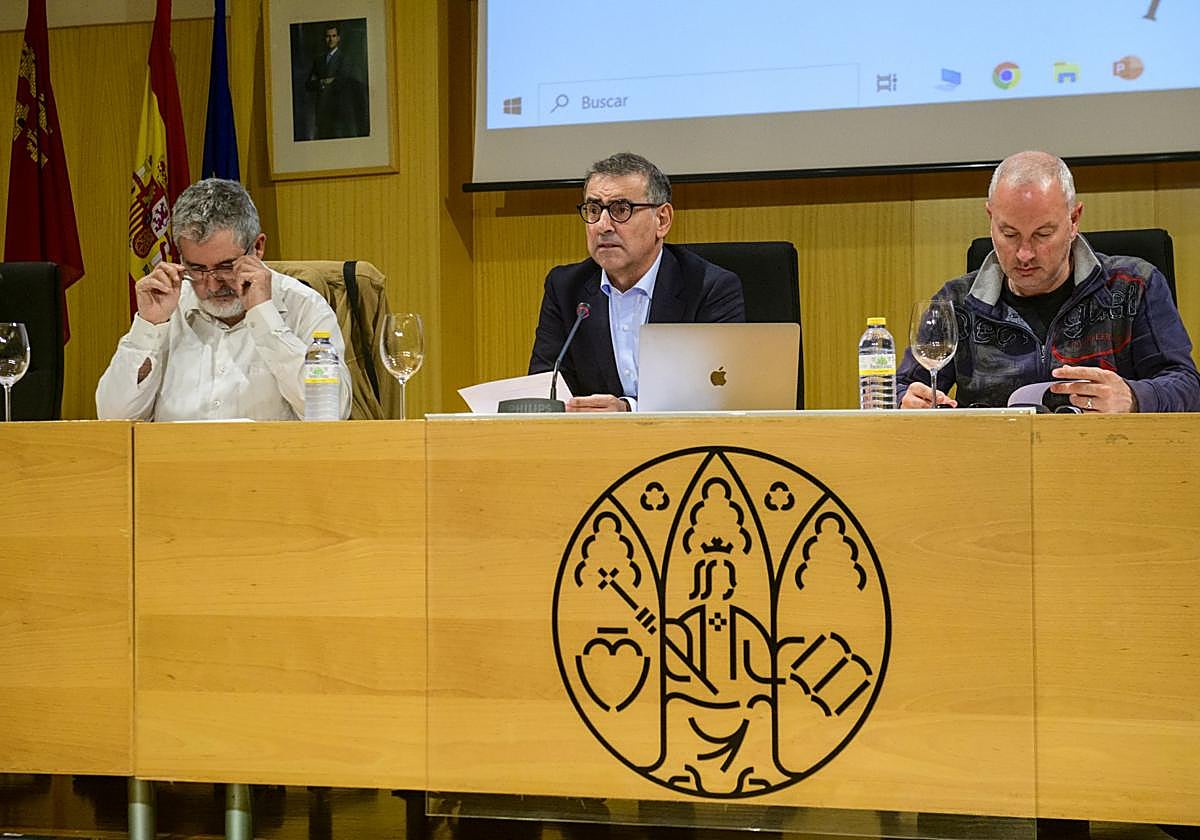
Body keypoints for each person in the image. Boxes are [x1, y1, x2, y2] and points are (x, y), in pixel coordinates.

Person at [897, 150, 1200, 412]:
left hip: (1106, 462)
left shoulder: (1133, 286)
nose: (1025, 254)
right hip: (994, 467)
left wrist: (1134, 397)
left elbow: (1187, 385)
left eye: (1042, 234)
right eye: (1009, 234)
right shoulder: (958, 302)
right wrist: (906, 401)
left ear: (1074, 220)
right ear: (990, 218)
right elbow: (902, 388)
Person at [96, 178, 351, 421]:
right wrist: (148, 327)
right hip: (174, 464)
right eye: (196, 268)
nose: (212, 284)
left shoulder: (304, 306)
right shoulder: (166, 308)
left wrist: (265, 318)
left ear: (258, 248)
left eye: (227, 266)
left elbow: (333, 412)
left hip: (269, 464)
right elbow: (112, 418)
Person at [528, 152, 745, 412]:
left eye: (621, 210)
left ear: (662, 220)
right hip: (592, 443)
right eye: (594, 210)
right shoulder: (565, 288)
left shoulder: (709, 287)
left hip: (683, 445)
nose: (602, 225)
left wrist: (628, 410)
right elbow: (546, 383)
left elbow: (718, 394)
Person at [304, 23, 363, 139]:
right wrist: (322, 82)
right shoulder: (319, 60)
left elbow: (342, 81)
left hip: (338, 111)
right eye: (328, 36)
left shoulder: (344, 59)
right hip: (322, 111)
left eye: (333, 36)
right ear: (324, 38)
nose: (330, 39)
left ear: (338, 38)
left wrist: (326, 81)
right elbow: (309, 84)